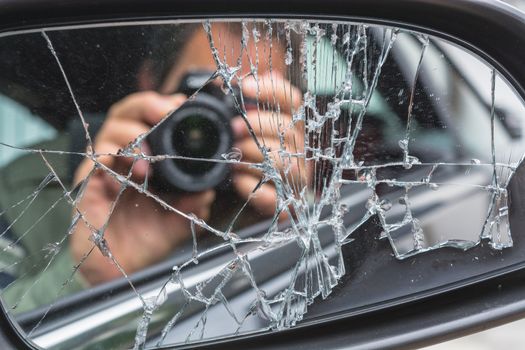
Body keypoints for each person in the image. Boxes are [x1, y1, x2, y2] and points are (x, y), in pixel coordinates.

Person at [0, 22, 305, 310]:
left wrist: (298, 220)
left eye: (247, 105)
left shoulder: (287, 205)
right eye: (199, 97)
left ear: (286, 120)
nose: (218, 128)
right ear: (150, 85)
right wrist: (92, 275)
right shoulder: (26, 191)